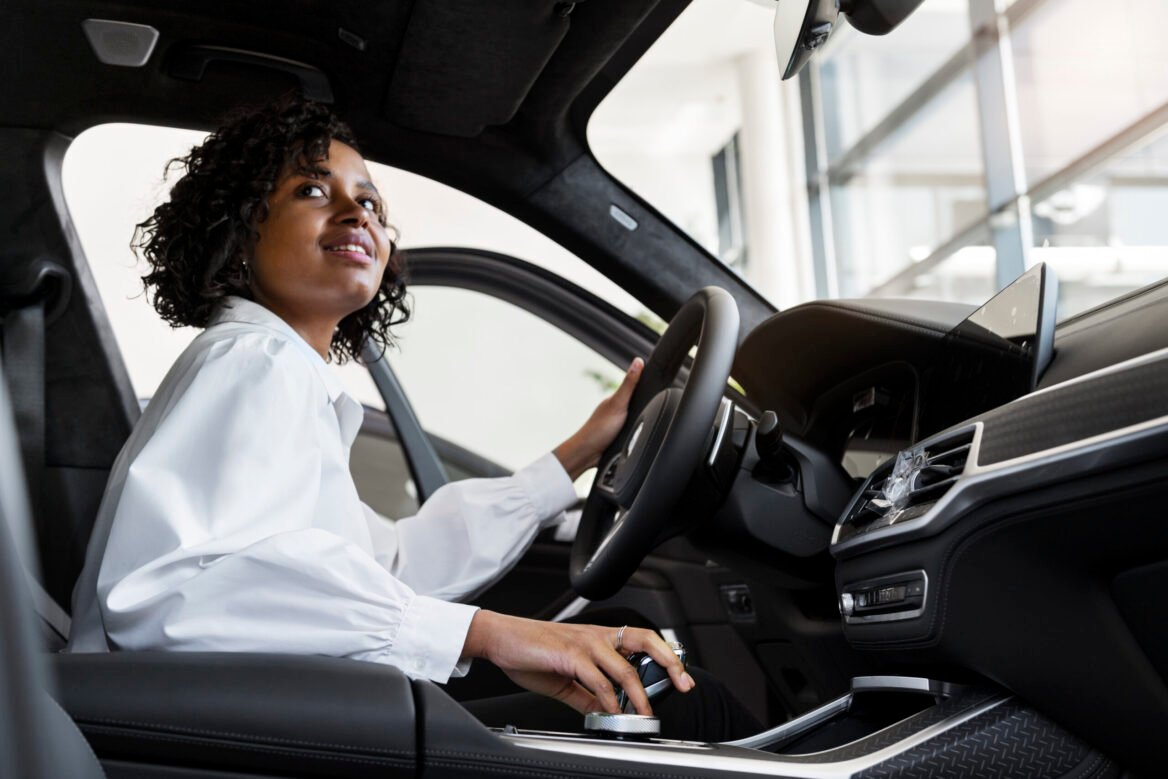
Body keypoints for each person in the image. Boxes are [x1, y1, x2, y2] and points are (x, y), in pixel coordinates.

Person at [66, 96, 759, 741]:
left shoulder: (275, 368)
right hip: (231, 741)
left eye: (369, 200)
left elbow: (394, 565)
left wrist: (577, 454)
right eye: (313, 189)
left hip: (266, 721)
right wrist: (484, 633)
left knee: (631, 662)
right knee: (680, 702)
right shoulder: (254, 360)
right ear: (239, 229)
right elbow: (173, 593)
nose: (356, 213)